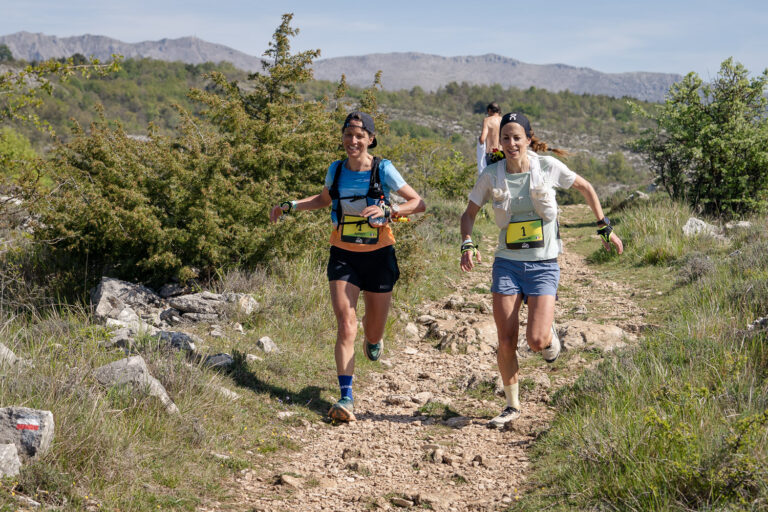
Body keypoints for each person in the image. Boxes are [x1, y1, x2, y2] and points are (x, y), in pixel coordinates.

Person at [460, 112, 623, 428]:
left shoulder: (547, 166)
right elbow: (468, 214)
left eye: (516, 137)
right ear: (500, 142)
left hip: (543, 265)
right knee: (506, 340)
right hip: (507, 264)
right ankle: (512, 405)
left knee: (535, 340)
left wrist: (604, 226)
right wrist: (467, 242)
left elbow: (586, 187)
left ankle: (548, 338)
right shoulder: (492, 175)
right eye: (505, 138)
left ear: (528, 139)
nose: (511, 143)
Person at [270, 111, 426, 422]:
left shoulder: (383, 169)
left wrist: (390, 210)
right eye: (347, 135)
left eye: (359, 136)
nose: (352, 141)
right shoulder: (336, 169)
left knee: (373, 330)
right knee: (346, 324)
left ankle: (374, 339)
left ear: (370, 139)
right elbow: (323, 200)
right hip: (343, 254)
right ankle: (346, 397)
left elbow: (418, 203)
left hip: (379, 255)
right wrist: (290, 206)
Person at [477, 102, 502, 174]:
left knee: (491, 177)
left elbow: (482, 139)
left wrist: (479, 141)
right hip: (502, 153)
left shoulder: (487, 120)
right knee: (501, 176)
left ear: (490, 110)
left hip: (493, 152)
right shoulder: (503, 120)